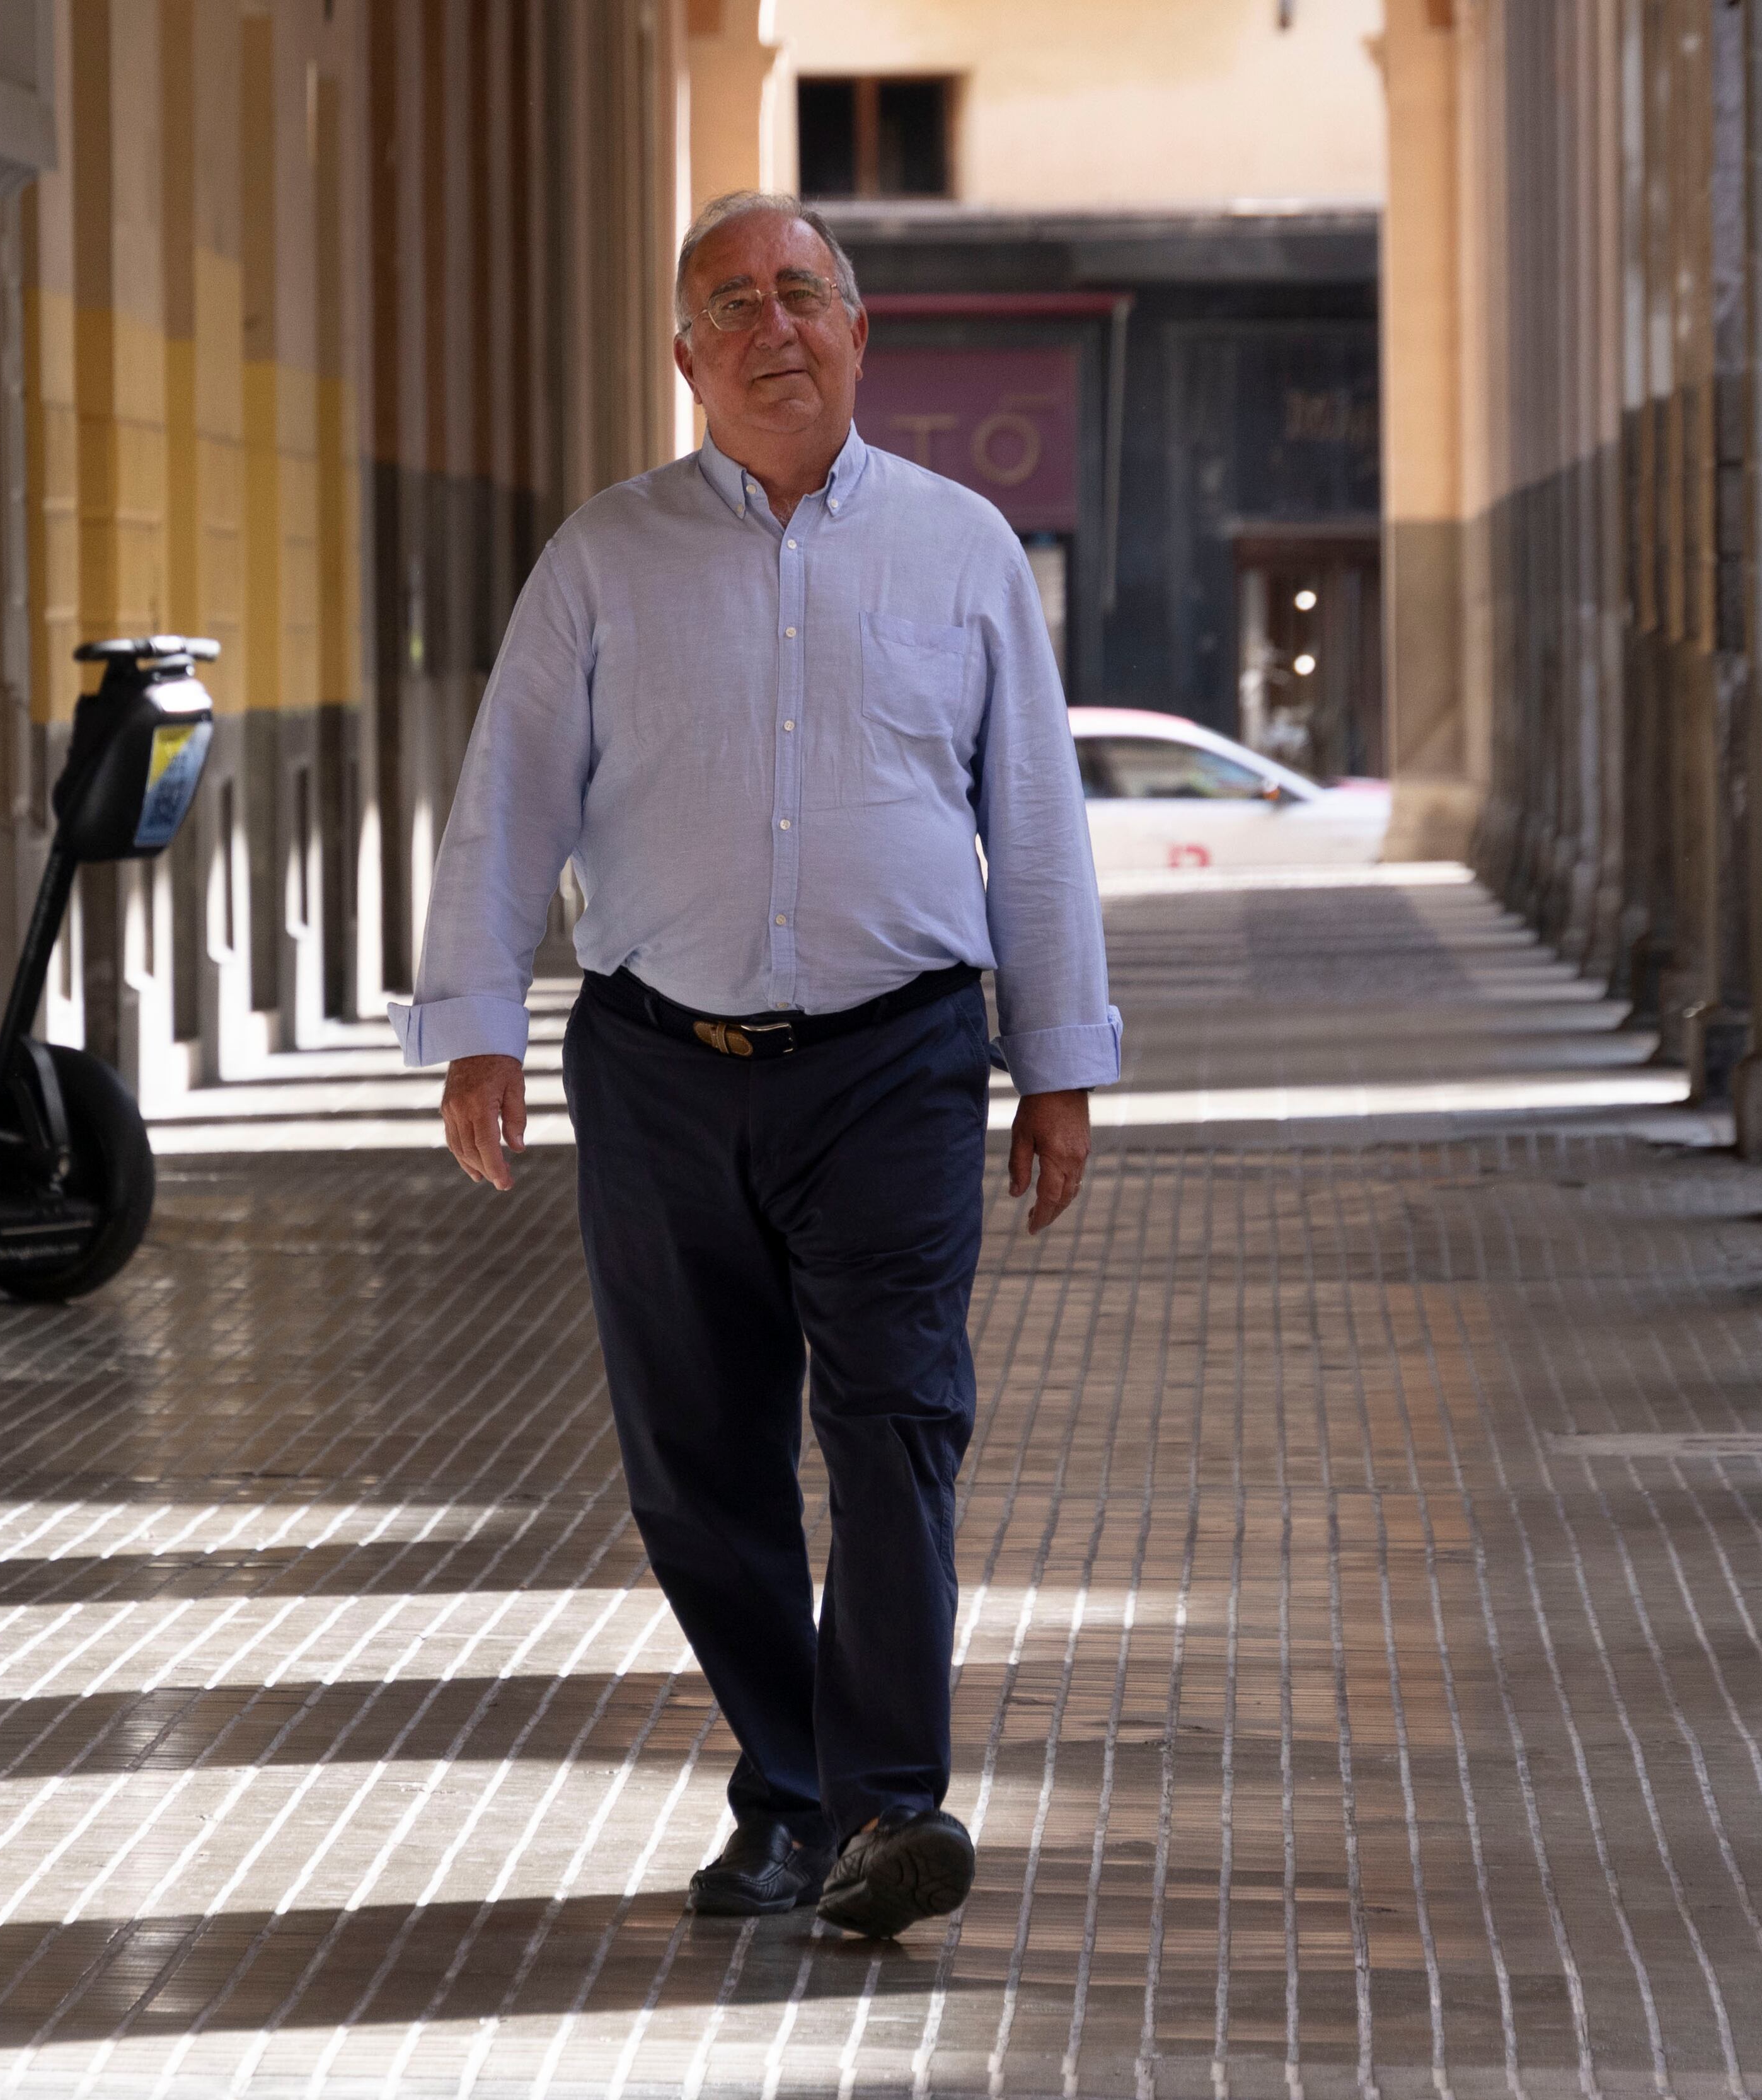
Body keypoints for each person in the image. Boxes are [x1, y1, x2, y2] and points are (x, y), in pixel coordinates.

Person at [389, 191, 1119, 1941]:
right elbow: (510, 801)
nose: (775, 325)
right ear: (686, 358)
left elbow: (1032, 816)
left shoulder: (961, 553)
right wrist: (477, 1022)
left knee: (894, 1430)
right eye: (735, 303)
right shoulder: (602, 558)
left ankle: (883, 1807)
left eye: (804, 293)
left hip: (899, 1066)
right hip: (658, 1067)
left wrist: (1061, 1057)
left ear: (859, 333)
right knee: (697, 1462)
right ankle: (794, 1793)